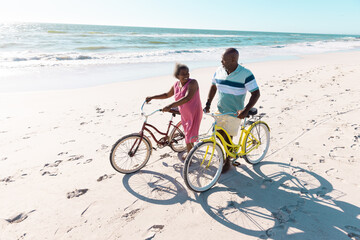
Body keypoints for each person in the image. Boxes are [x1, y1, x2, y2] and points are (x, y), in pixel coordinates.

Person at [204, 48, 260, 173]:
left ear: (233, 60)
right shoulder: (219, 70)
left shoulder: (246, 74)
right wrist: (208, 103)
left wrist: (245, 110)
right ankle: (229, 153)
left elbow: (256, 93)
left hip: (235, 112)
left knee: (228, 137)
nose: (221, 61)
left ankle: (227, 161)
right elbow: (213, 87)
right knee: (218, 133)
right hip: (220, 110)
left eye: (224, 59)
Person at [146, 63, 203, 160]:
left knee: (189, 134)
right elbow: (167, 94)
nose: (186, 75)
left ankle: (189, 155)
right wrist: (152, 97)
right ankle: (188, 149)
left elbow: (187, 98)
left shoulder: (193, 83)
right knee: (187, 132)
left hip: (194, 112)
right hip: (183, 110)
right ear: (177, 76)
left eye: (187, 73)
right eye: (183, 74)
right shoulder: (176, 85)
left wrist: (170, 105)